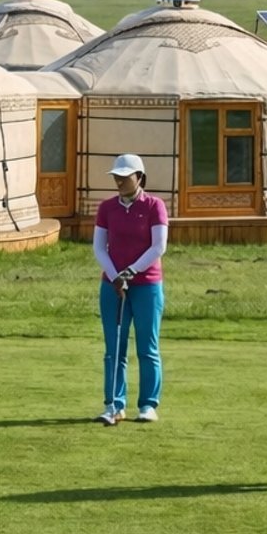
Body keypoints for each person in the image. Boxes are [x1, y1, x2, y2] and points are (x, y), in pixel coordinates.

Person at [93, 153, 168, 425]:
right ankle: (114, 405)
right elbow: (100, 248)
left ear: (140, 178)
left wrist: (131, 271)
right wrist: (115, 277)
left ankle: (148, 405)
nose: (120, 181)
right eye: (117, 177)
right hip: (113, 287)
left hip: (147, 285)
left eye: (126, 177)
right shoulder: (107, 208)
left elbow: (158, 246)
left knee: (148, 348)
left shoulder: (154, 206)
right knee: (114, 349)